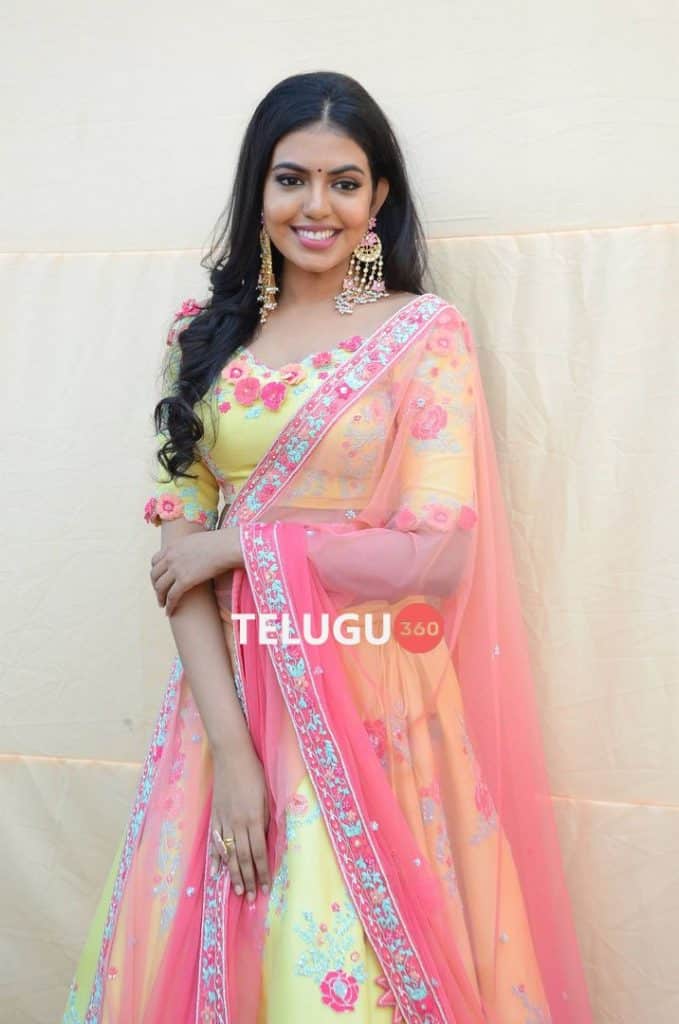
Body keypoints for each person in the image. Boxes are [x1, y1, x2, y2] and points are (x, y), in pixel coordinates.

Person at [61, 71, 593, 1024]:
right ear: (257, 190)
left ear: (377, 197)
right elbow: (176, 561)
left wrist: (241, 546)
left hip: (369, 701)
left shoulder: (420, 334)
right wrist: (232, 754)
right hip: (222, 705)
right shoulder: (200, 338)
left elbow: (436, 556)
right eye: (291, 179)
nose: (317, 207)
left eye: (344, 182)